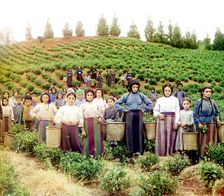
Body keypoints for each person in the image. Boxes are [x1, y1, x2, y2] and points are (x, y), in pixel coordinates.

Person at [115, 80, 153, 156]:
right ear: (130, 87)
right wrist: (123, 110)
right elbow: (117, 104)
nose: (135, 88)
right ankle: (130, 151)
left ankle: (139, 150)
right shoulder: (126, 95)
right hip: (129, 115)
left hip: (138, 115)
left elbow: (150, 104)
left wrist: (144, 109)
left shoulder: (141, 95)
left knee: (139, 132)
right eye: (134, 87)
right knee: (129, 132)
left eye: (137, 87)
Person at [153, 83, 180, 156]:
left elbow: (177, 111)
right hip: (162, 120)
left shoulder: (175, 99)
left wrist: (176, 122)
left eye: (169, 90)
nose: (167, 92)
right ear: (163, 91)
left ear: (171, 91)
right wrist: (159, 114)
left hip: (172, 120)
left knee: (171, 137)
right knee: (162, 137)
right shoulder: (160, 100)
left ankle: (170, 154)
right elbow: (155, 111)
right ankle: (161, 154)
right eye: (166, 90)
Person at [193, 85, 220, 157]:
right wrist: (198, 123)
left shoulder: (213, 102)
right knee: (203, 142)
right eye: (206, 91)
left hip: (212, 124)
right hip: (202, 125)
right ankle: (202, 158)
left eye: (210, 92)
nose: (208, 93)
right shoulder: (199, 102)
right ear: (202, 92)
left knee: (212, 141)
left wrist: (217, 119)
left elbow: (217, 112)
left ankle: (212, 157)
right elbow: (195, 114)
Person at [80, 89, 104, 157]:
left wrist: (100, 117)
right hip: (87, 124)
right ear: (85, 96)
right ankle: (87, 154)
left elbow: (101, 113)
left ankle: (97, 154)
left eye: (91, 95)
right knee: (87, 139)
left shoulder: (96, 104)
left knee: (97, 139)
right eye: (88, 95)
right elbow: (81, 117)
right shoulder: (83, 105)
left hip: (97, 124)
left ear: (93, 96)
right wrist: (82, 129)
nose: (89, 96)